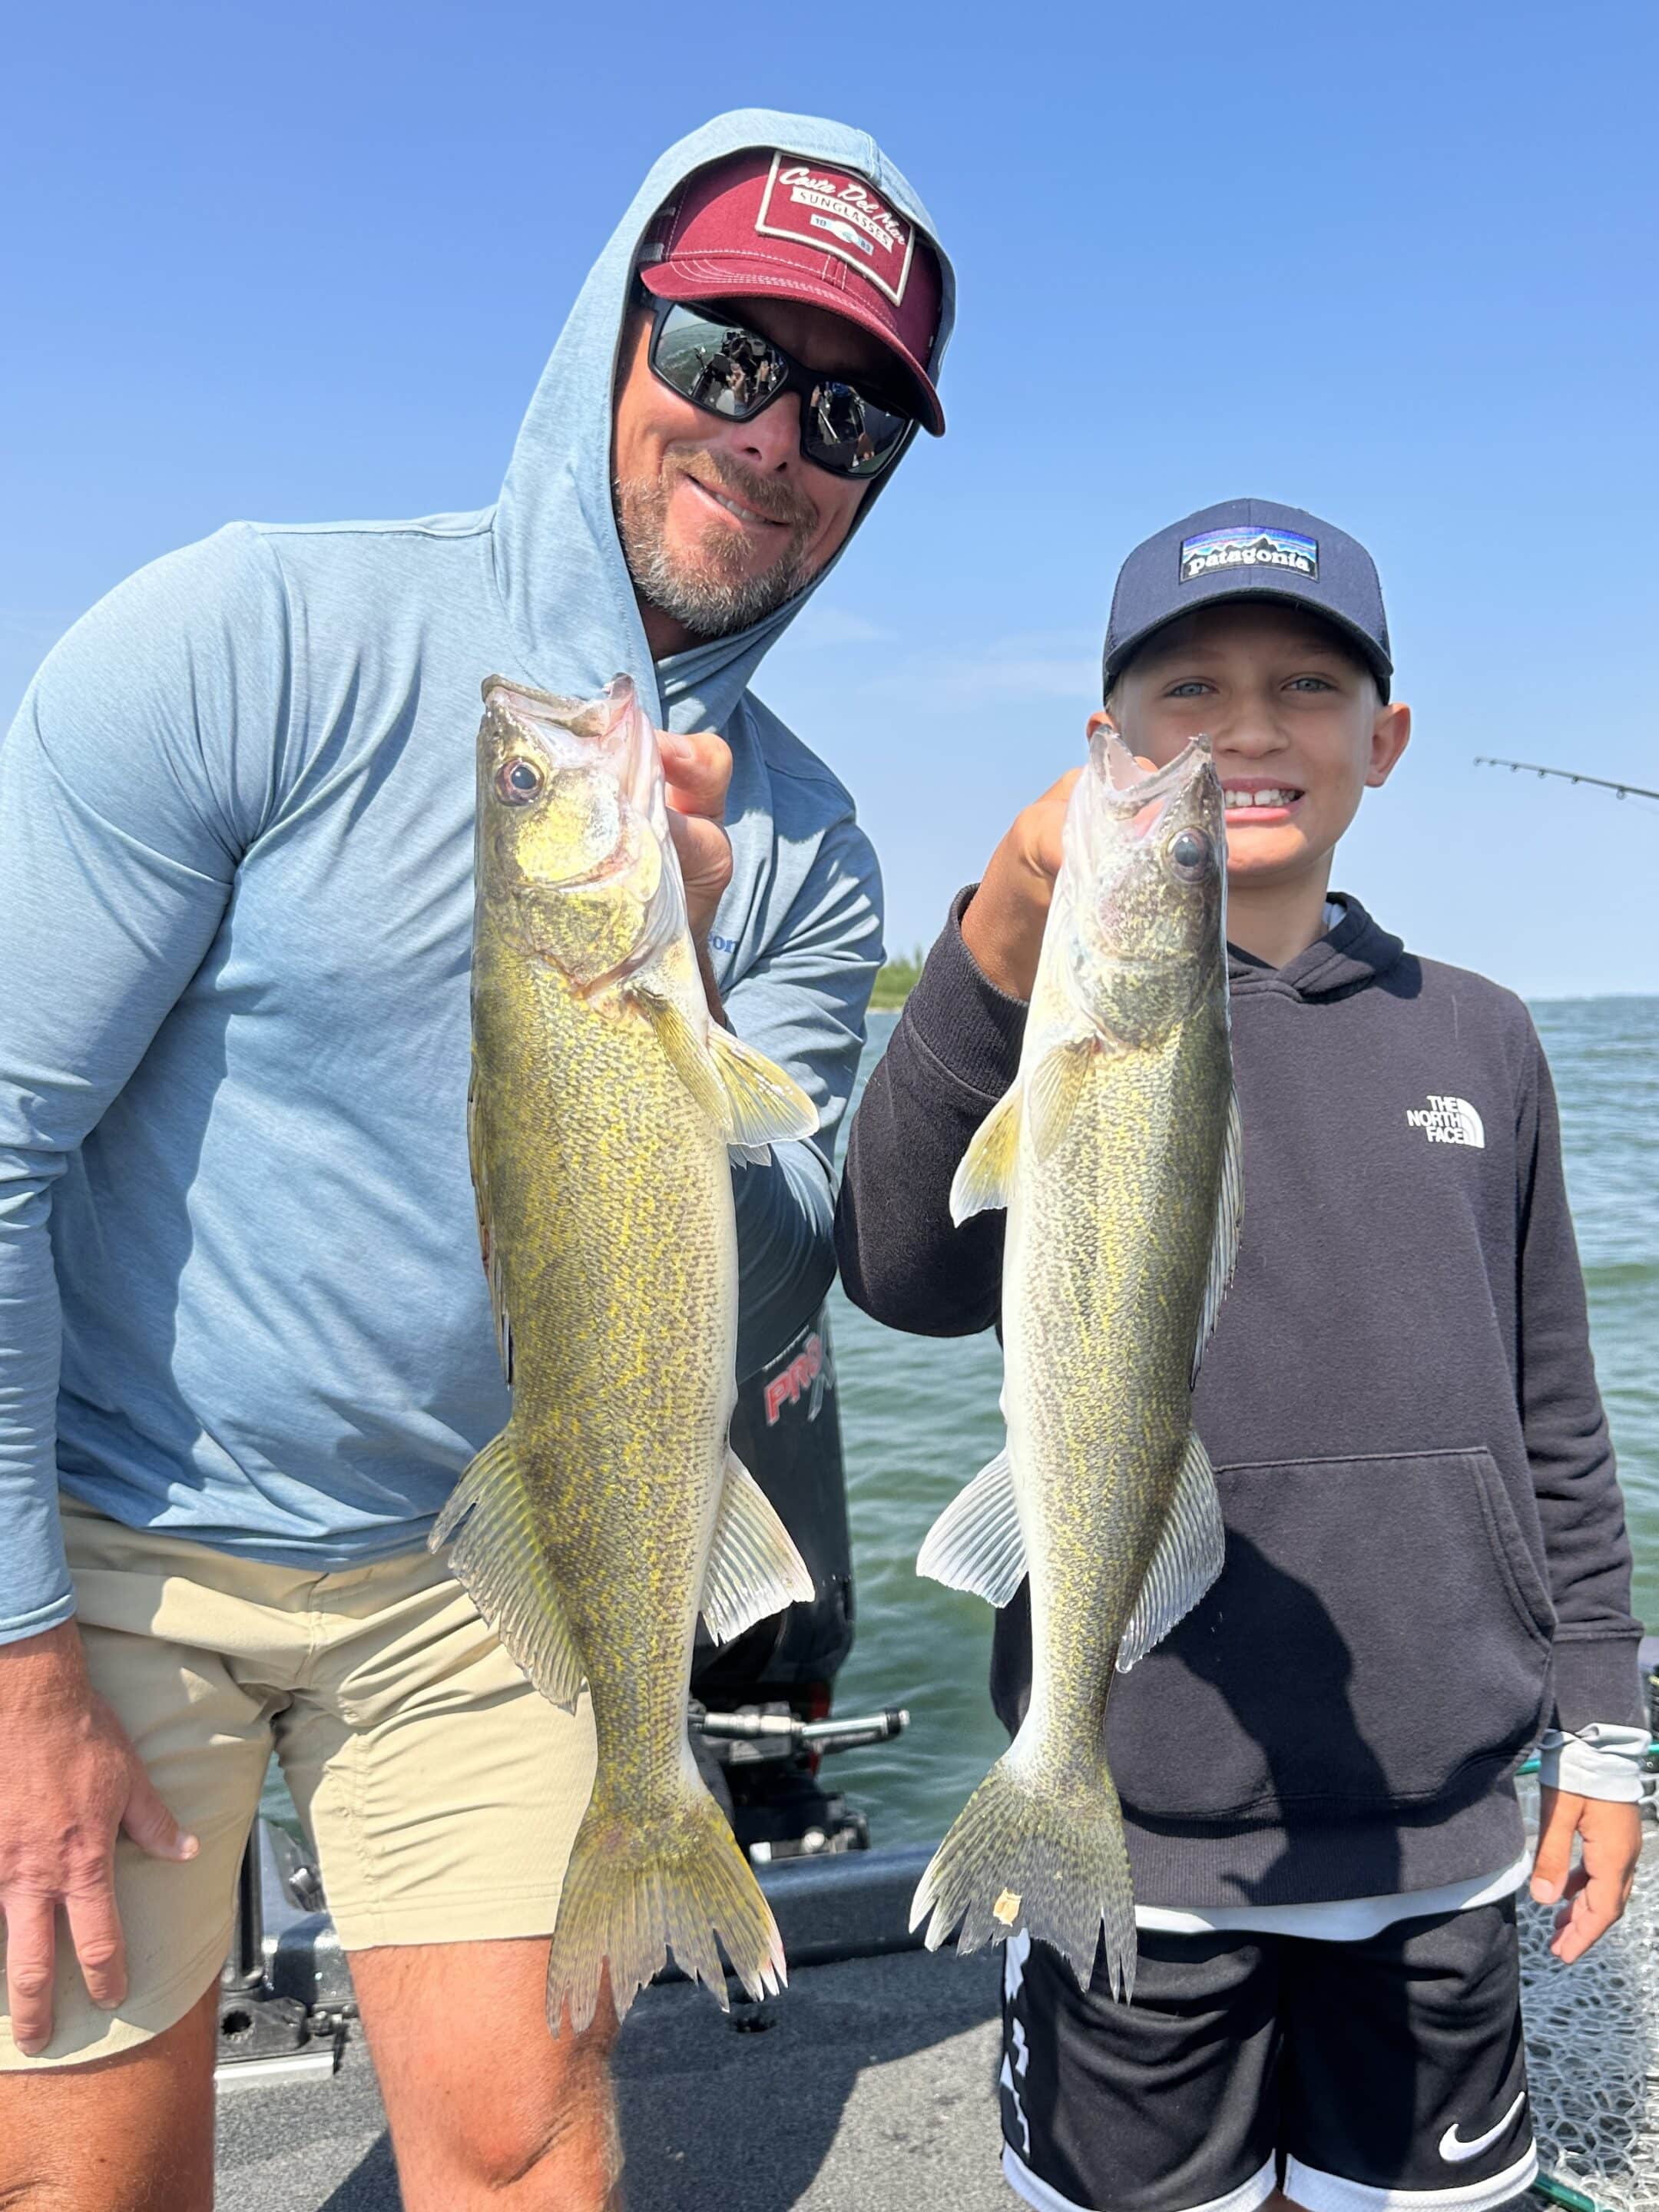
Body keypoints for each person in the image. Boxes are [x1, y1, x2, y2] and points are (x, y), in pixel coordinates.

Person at [0, 111, 952, 2212]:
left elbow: (779, 1273)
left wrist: (672, 1006)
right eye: (726, 355)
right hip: (105, 1538)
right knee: (78, 2167)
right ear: (614, 330)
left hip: (477, 1571)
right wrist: (18, 1655)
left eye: (853, 409)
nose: (777, 434)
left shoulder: (808, 849)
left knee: (532, 2155)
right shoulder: (254, 630)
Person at [835, 499, 1647, 2212]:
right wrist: (995, 938)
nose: (1249, 732)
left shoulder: (1484, 1038)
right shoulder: (1051, 1009)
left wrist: (1599, 1732)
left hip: (1440, 1847)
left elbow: (1561, 1418)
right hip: (1137, 1842)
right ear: (1105, 745)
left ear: (1386, 740)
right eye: (1187, 693)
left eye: (1305, 685)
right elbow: (901, 1270)